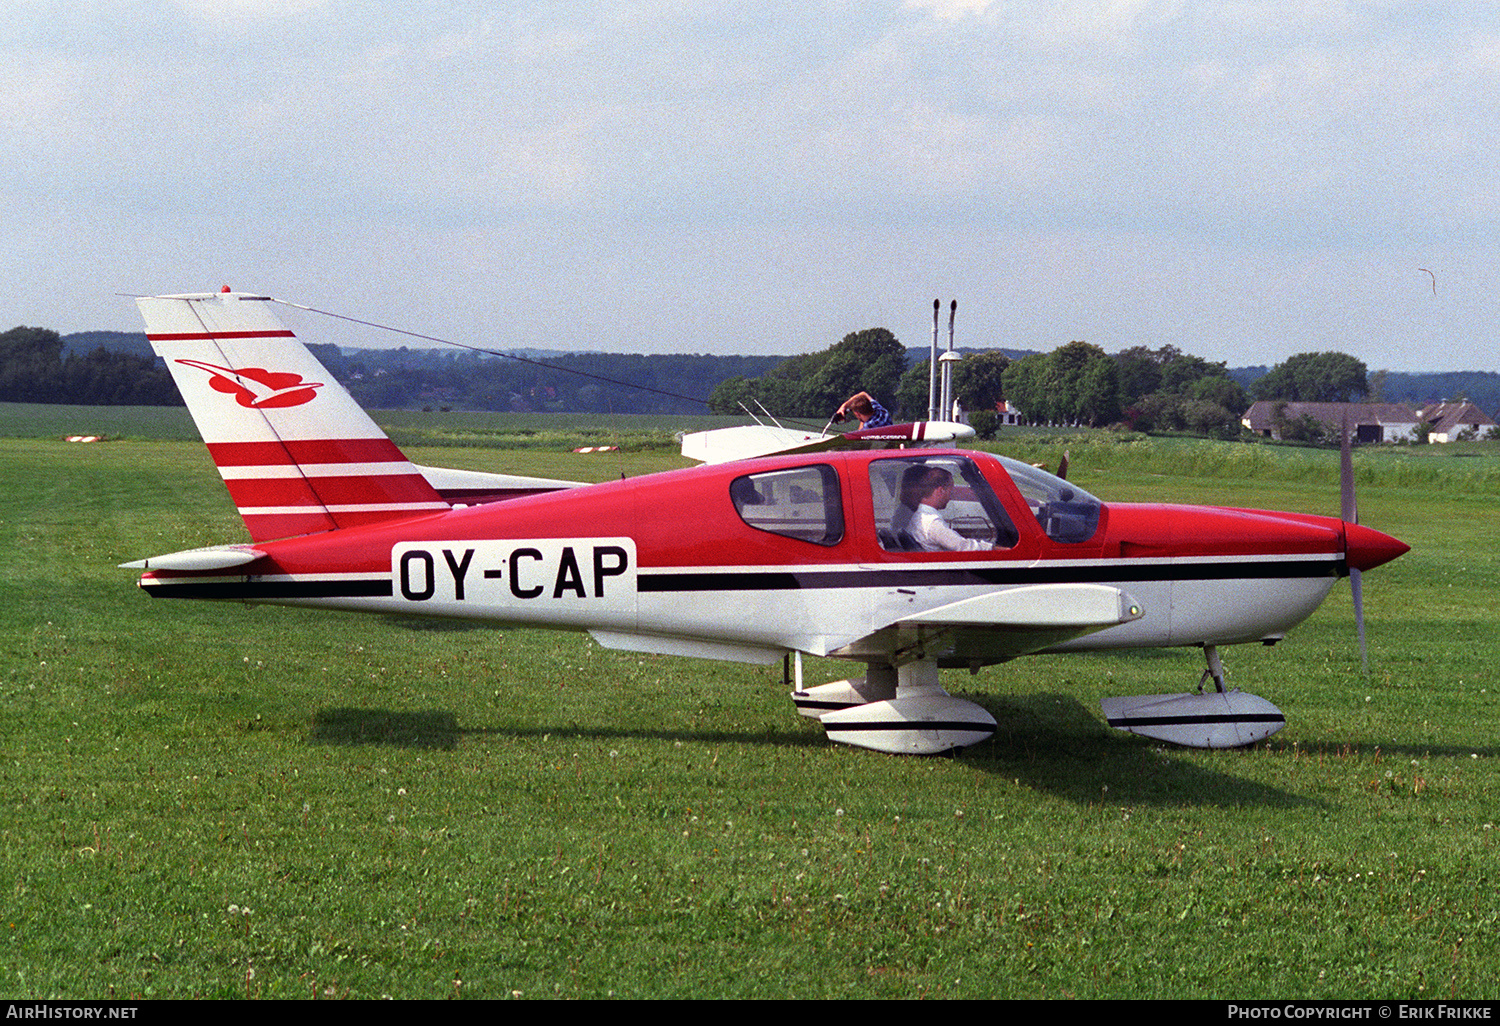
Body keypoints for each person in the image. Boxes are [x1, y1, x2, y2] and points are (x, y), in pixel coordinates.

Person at [889, 465, 989, 552]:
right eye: (950, 491)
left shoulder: (918, 515)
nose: (950, 497)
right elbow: (963, 546)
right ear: (941, 491)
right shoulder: (932, 523)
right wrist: (992, 547)